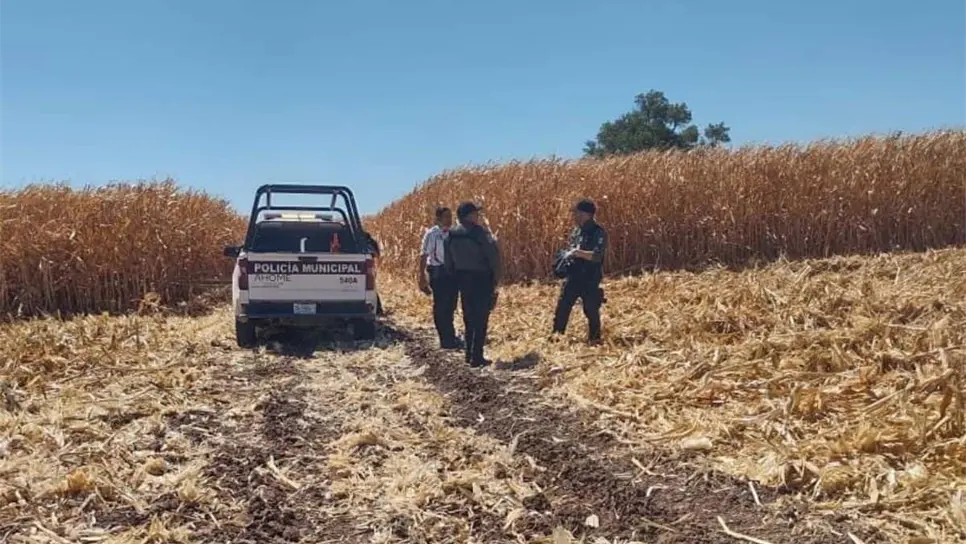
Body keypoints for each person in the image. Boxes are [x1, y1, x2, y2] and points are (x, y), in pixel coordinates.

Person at [444, 201, 501, 367]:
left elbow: (448, 260)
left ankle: (468, 354)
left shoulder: (451, 234)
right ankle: (477, 356)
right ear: (468, 215)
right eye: (475, 213)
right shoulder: (478, 233)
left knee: (468, 317)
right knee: (481, 318)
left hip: (462, 279)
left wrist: (454, 277)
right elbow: (492, 257)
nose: (477, 216)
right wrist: (496, 278)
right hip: (481, 278)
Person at [551, 198, 607, 345]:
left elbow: (597, 256)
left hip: (590, 276)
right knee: (563, 307)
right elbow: (572, 248)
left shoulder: (598, 232)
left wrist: (578, 253)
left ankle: (594, 339)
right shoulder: (577, 231)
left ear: (586, 214)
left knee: (591, 309)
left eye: (576, 213)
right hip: (574, 275)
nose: (574, 216)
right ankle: (557, 337)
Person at [418, 207, 461, 349]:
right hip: (438, 271)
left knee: (451, 305)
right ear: (438, 219)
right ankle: (445, 339)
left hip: (452, 272)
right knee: (441, 305)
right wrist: (422, 276)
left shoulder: (453, 233)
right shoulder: (432, 234)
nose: (449, 219)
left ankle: (451, 335)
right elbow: (424, 255)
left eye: (450, 216)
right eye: (446, 217)